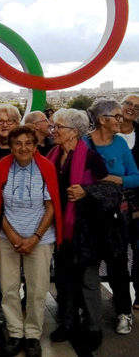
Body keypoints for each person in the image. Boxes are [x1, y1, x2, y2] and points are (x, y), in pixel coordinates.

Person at [0, 126, 62, 357]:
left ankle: (32, 335)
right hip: (7, 237)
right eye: (17, 143)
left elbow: (51, 207)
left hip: (39, 239)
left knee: (38, 289)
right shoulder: (2, 166)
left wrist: (35, 238)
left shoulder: (46, 167)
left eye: (28, 143)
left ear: (36, 144)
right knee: (8, 287)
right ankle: (16, 332)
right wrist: (13, 236)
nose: (23, 148)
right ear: (10, 146)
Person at [46, 108, 114, 352]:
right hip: (61, 229)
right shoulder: (53, 154)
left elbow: (110, 191)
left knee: (88, 281)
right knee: (64, 281)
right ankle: (69, 322)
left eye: (58, 127)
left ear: (74, 132)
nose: (53, 131)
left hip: (86, 231)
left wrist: (87, 192)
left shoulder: (92, 158)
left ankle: (93, 327)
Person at [85, 98, 139, 335]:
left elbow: (136, 176)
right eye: (116, 116)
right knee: (90, 265)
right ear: (101, 119)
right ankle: (89, 313)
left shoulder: (120, 145)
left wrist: (118, 180)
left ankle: (123, 312)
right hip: (90, 215)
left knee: (118, 267)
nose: (121, 120)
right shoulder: (84, 144)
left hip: (115, 215)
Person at [118, 94, 139, 310]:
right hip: (114, 206)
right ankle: (121, 299)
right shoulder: (106, 136)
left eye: (136, 107)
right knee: (119, 253)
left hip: (138, 204)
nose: (131, 109)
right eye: (128, 104)